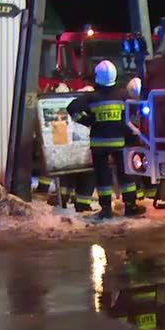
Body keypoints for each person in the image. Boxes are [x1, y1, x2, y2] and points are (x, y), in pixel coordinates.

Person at [67, 60, 144, 219]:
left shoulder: (92, 97)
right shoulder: (123, 95)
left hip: (99, 144)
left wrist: (87, 120)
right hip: (119, 143)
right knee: (126, 175)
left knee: (103, 177)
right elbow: (134, 113)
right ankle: (130, 206)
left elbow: (72, 108)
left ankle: (106, 209)